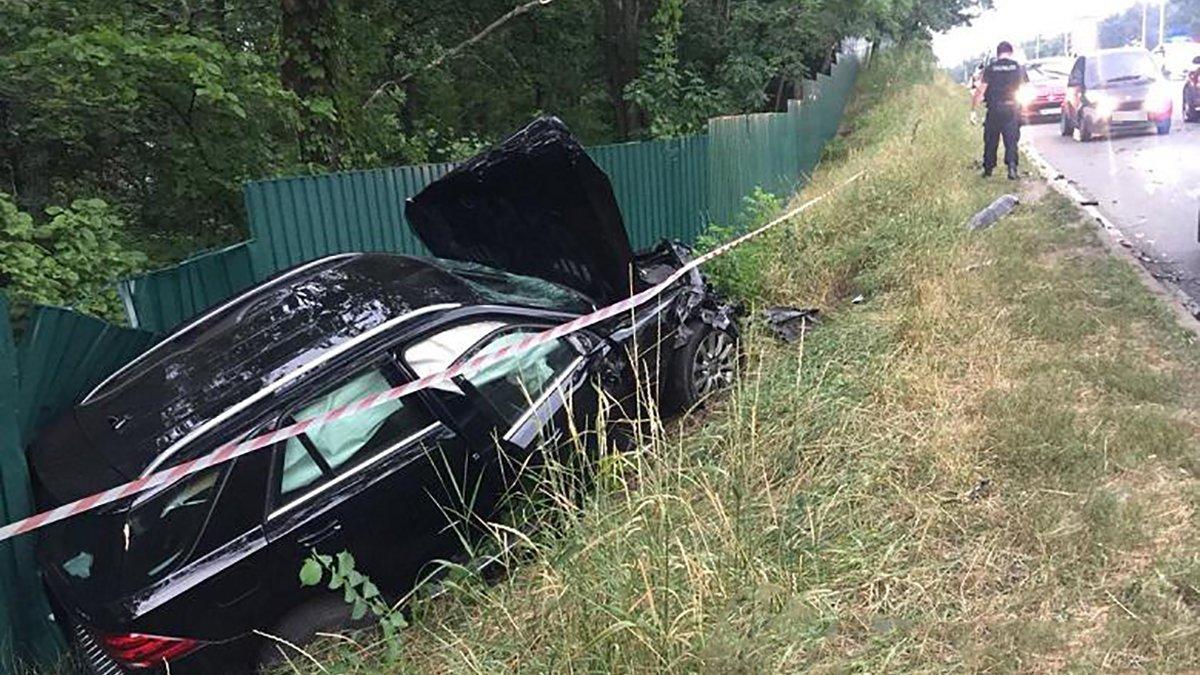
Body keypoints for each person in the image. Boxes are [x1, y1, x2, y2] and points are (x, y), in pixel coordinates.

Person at [970, 41, 1028, 180]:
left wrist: (973, 110)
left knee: (990, 139)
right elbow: (1025, 89)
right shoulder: (1018, 67)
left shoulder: (991, 68)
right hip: (1012, 108)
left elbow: (981, 90)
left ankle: (988, 169)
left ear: (998, 53)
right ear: (1010, 52)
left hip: (994, 109)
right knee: (1011, 139)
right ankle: (1012, 168)